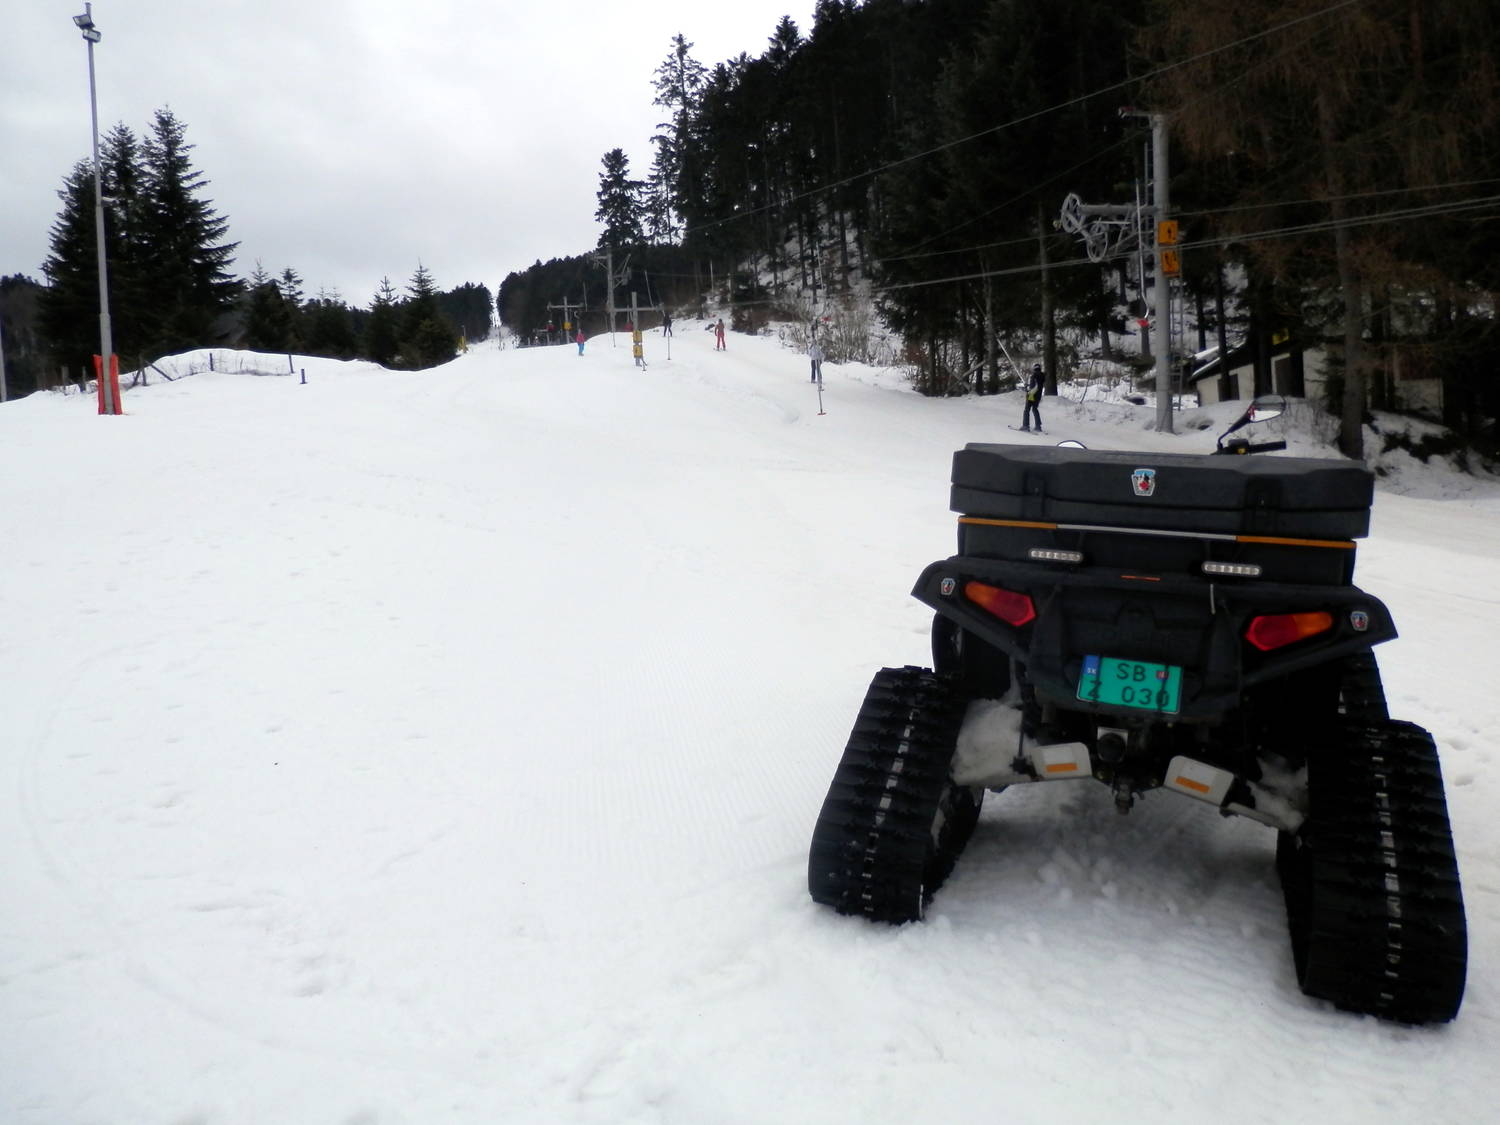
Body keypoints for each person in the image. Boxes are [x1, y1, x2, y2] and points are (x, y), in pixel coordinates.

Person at [1021, 362, 1044, 431]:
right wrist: (1028, 386)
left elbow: (1033, 388)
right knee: (1034, 409)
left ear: (1034, 369)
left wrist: (1026, 389)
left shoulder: (1034, 376)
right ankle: (1038, 426)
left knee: (1026, 410)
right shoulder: (1042, 377)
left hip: (1031, 396)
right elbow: (1036, 386)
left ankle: (1025, 425)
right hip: (1038, 396)